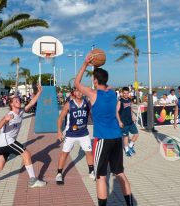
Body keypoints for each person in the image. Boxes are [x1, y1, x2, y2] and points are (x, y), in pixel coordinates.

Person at [75, 57, 133, 206]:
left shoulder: (93, 94)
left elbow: (76, 83)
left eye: (94, 79)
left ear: (95, 81)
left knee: (100, 176)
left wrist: (85, 64)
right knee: (119, 173)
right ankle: (130, 204)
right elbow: (106, 85)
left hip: (102, 139)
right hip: (116, 137)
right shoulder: (112, 93)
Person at [55, 88, 94, 185]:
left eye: (81, 91)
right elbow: (60, 119)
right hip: (71, 133)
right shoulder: (69, 104)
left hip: (84, 133)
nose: (79, 93)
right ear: (74, 93)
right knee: (65, 153)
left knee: (89, 152)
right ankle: (59, 173)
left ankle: (91, 171)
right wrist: (59, 131)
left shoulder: (87, 103)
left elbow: (92, 116)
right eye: (77, 91)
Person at [116, 87, 139, 157]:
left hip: (130, 121)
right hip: (124, 122)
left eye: (127, 93)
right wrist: (119, 121)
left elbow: (131, 108)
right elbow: (116, 112)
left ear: (128, 93)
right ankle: (126, 149)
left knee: (136, 134)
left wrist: (132, 116)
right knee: (126, 136)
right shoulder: (120, 101)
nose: (126, 94)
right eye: (124, 93)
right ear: (122, 93)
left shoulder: (129, 100)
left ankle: (131, 145)